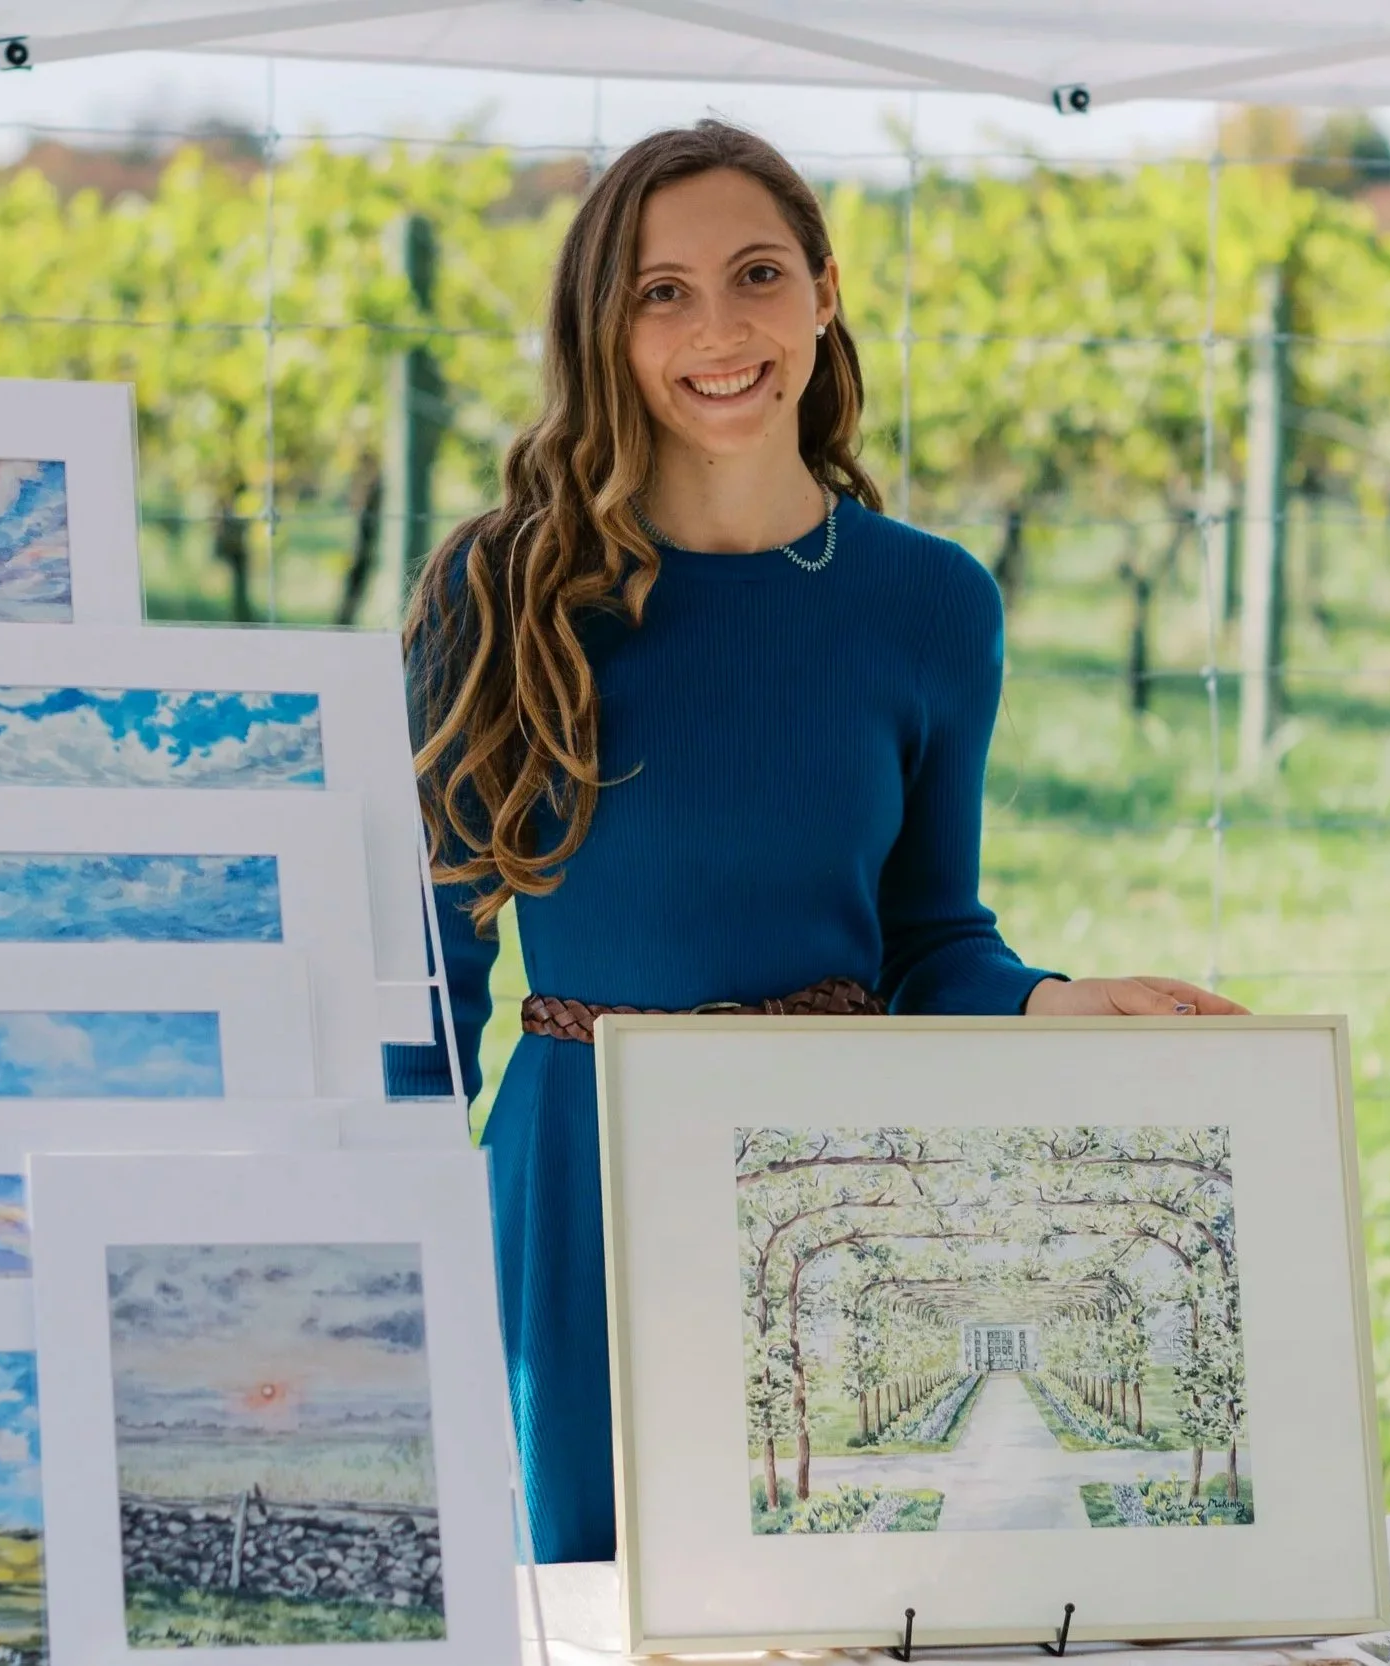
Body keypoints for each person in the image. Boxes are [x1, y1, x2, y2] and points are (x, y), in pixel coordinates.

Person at [387, 119, 1245, 1564]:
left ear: (827, 291)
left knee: (838, 1586)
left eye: (756, 275)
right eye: (661, 291)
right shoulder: (507, 584)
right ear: (605, 322)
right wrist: (368, 1216)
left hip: (831, 1188)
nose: (717, 329)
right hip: (577, 1171)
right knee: (587, 1588)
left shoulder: (929, 603)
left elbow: (926, 940)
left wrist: (1046, 999)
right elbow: (423, 952)